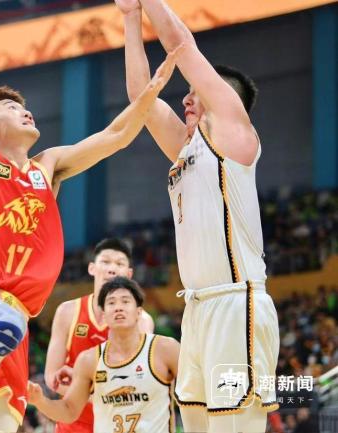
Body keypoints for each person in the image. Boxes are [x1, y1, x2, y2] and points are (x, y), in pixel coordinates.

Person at [0, 0, 179, 430]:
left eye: (24, 106)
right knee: (2, 321)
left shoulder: (47, 167)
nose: (25, 110)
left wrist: (151, 92)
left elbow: (117, 134)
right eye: (11, 109)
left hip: (14, 327)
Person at [118, 0, 279, 431]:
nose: (186, 97)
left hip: (235, 305)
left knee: (233, 425)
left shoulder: (233, 135)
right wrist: (130, 17)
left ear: (223, 99)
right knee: (195, 423)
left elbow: (180, 43)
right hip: (197, 310)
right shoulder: (185, 150)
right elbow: (141, 98)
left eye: (195, 91)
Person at [28, 276, 179, 432]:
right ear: (104, 316)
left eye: (125, 301)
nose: (118, 307)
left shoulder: (166, 349)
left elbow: (191, 392)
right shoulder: (88, 361)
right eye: (111, 303)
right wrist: (40, 400)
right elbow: (69, 411)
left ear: (139, 312)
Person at [44, 238, 154, 432]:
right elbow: (52, 376)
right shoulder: (68, 311)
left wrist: (86, 390)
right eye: (105, 261)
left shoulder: (142, 321)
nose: (112, 269)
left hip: (120, 423)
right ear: (92, 268)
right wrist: (99, 394)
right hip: (73, 424)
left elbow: (137, 381)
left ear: (129, 274)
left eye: (119, 263)